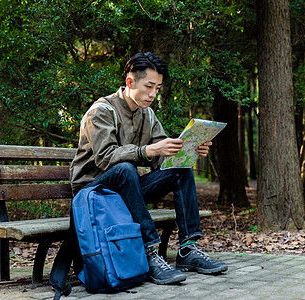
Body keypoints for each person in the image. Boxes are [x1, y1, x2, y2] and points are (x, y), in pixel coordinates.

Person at [70, 52, 228, 285]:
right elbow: (105, 158)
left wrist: (191, 150)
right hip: (94, 195)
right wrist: (149, 150)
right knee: (125, 168)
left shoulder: (148, 114)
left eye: (158, 88)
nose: (153, 94)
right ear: (130, 82)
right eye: (149, 86)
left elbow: (162, 161)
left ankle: (187, 250)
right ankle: (149, 252)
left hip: (125, 190)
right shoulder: (101, 111)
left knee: (180, 170)